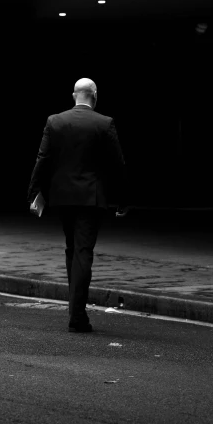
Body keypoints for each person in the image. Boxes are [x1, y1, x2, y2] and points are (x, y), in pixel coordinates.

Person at [27, 78, 129, 332]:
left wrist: (34, 191)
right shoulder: (104, 123)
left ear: (74, 95)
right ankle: (77, 316)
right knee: (83, 252)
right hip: (91, 199)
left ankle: (75, 311)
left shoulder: (55, 121)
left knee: (72, 249)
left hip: (62, 197)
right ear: (95, 96)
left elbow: (43, 158)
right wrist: (122, 199)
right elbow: (118, 165)